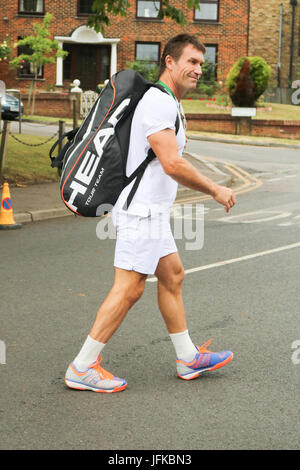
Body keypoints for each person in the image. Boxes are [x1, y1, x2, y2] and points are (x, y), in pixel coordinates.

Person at [65, 34, 236, 393]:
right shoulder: (159, 102)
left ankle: (187, 357)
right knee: (129, 289)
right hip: (139, 213)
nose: (197, 70)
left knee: (172, 275)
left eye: (201, 64)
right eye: (190, 61)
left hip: (152, 212)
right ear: (169, 62)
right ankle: (82, 366)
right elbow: (171, 163)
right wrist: (216, 189)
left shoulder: (167, 101)